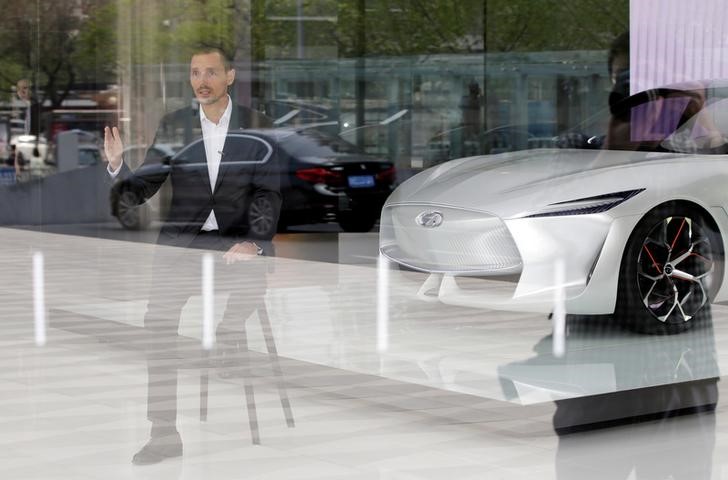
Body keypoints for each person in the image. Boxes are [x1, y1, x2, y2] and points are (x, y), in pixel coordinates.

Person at [104, 46, 280, 465]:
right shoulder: (175, 125)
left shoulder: (259, 128)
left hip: (235, 244)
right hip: (184, 247)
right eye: (195, 73)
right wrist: (117, 167)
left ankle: (228, 335)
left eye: (211, 72)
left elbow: (269, 193)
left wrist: (253, 242)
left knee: (255, 276)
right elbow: (144, 188)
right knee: (158, 325)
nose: (201, 81)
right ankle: (163, 432)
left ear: (230, 76)